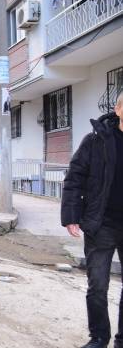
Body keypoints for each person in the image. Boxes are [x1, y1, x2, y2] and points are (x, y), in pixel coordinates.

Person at [62, 91, 123, 348]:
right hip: (102, 222)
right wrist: (71, 216)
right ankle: (99, 337)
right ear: (118, 109)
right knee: (98, 284)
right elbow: (75, 178)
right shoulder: (96, 140)